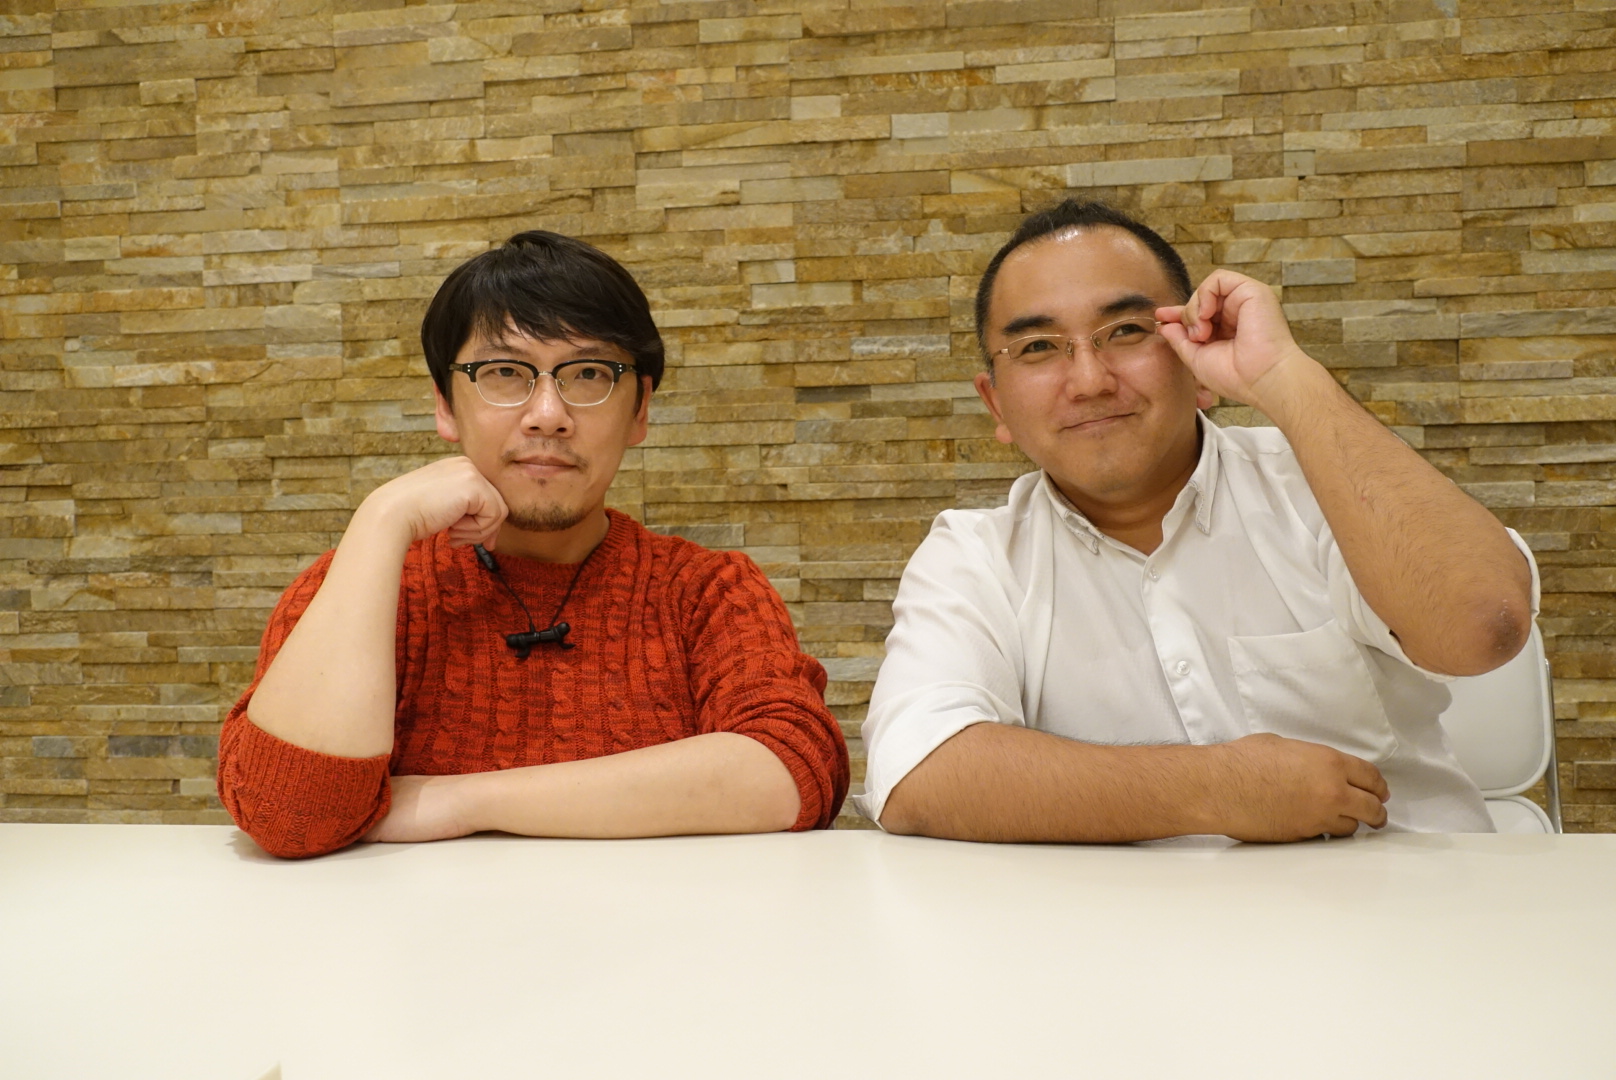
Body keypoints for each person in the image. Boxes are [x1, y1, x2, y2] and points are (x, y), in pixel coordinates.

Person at [856, 199, 1538, 842]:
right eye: (1037, 347)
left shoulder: (1320, 487)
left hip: (1410, 910)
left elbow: (1484, 627)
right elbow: (917, 774)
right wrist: (1218, 789)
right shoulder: (974, 555)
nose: (1089, 380)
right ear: (996, 405)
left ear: (1195, 358)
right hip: (1124, 926)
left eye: (1127, 331)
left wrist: (1284, 376)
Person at [219, 231, 848, 858]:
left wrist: (460, 801)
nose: (548, 414)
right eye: (503, 373)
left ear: (639, 411)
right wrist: (381, 519)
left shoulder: (707, 591)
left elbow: (794, 769)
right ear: (445, 406)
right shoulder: (363, 580)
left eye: (589, 374)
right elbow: (287, 816)